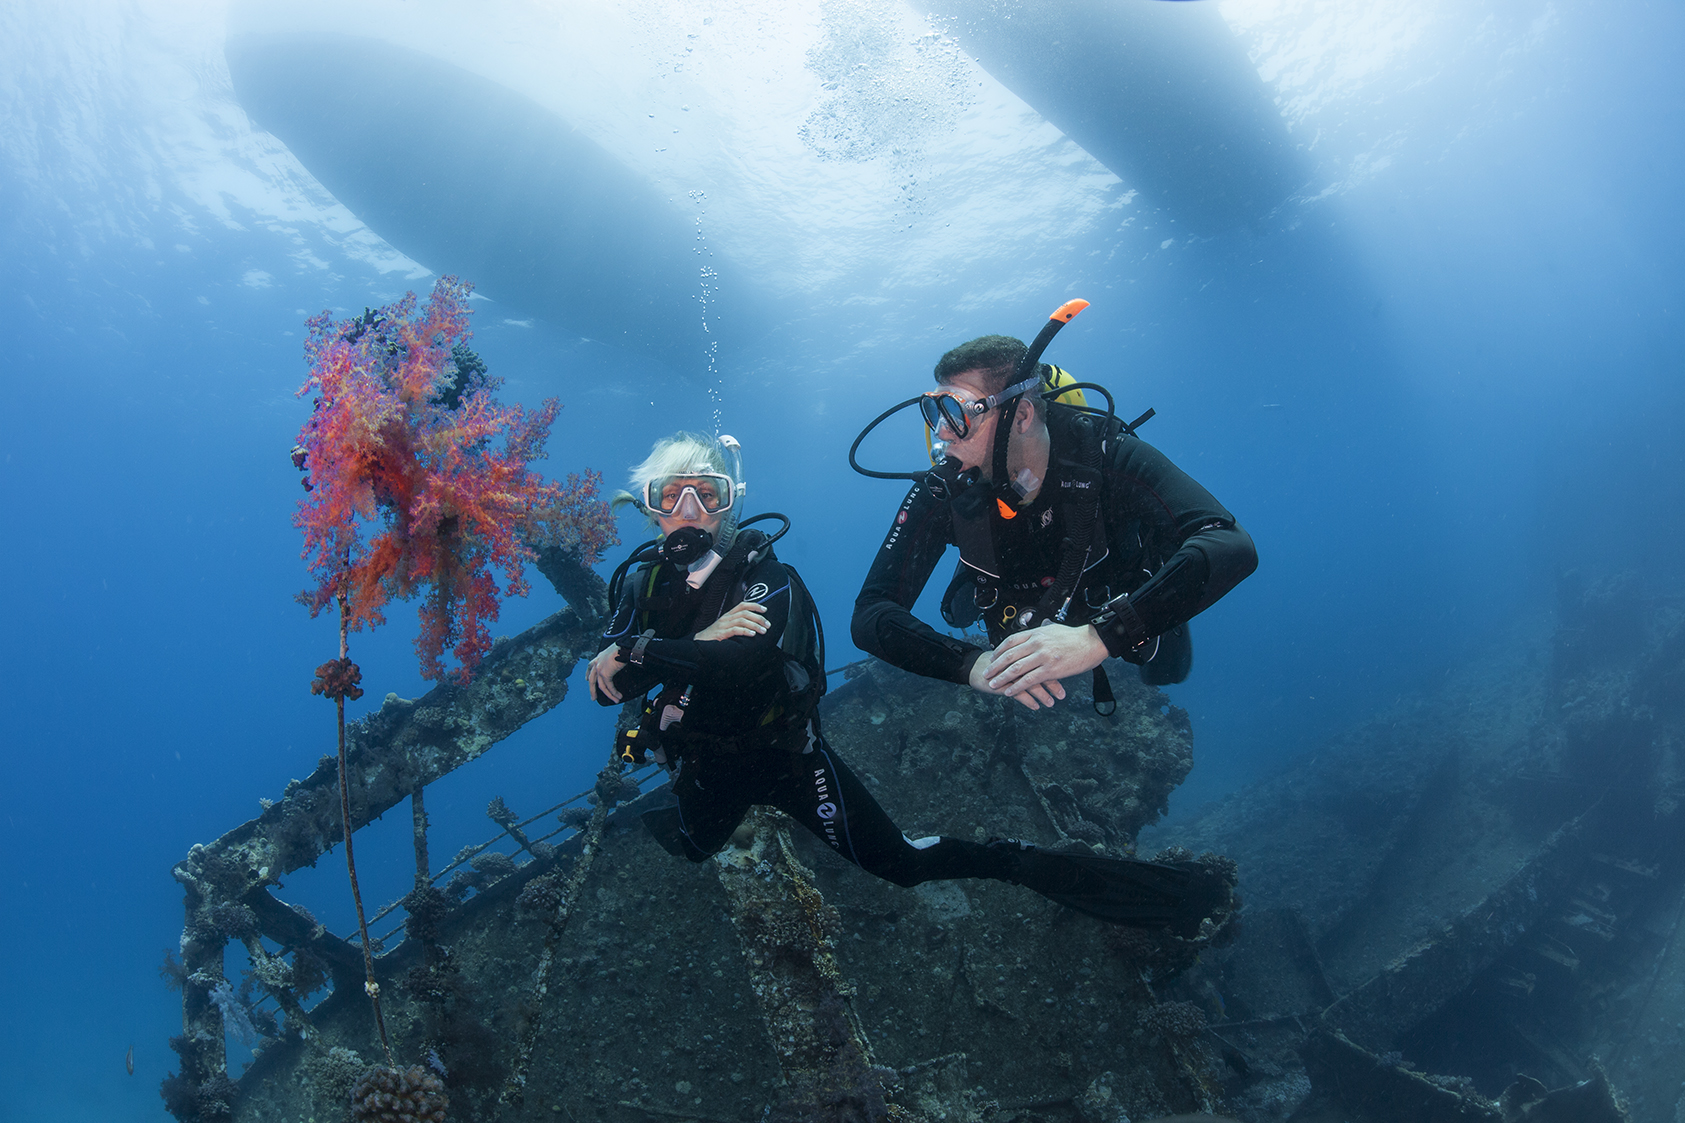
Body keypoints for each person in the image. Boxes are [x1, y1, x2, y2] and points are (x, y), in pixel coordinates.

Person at [587, 431, 1228, 931]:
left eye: (708, 492)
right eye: (670, 496)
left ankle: (1015, 861)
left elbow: (744, 663)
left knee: (905, 866)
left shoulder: (769, 579)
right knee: (696, 846)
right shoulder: (638, 587)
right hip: (700, 764)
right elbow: (604, 688)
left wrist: (643, 652)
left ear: (734, 500)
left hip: (787, 758)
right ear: (648, 508)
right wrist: (687, 644)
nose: (689, 511)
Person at [851, 333, 1257, 712]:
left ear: (1022, 414)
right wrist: (971, 665)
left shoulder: (1105, 455)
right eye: (935, 412)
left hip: (1116, 603)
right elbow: (871, 612)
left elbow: (1230, 543)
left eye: (957, 413)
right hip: (1020, 616)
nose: (942, 434)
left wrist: (1099, 638)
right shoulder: (949, 487)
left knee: (1167, 669)